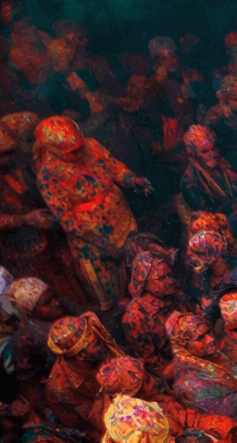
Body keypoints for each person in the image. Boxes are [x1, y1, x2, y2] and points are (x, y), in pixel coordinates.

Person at [33, 115, 150, 308]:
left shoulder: (92, 145)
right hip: (94, 238)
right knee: (116, 290)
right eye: (72, 153)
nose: (80, 154)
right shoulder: (48, 175)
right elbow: (67, 220)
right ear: (55, 151)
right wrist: (104, 244)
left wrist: (133, 180)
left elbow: (114, 168)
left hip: (122, 220)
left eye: (80, 148)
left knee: (142, 268)